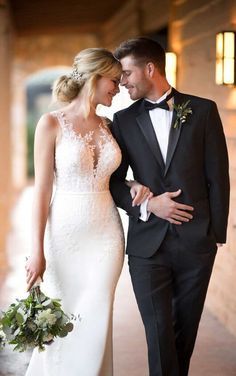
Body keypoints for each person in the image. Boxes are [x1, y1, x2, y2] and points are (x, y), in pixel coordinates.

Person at [25, 47, 151, 376]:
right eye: (114, 79)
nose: (119, 86)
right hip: (63, 234)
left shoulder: (111, 126)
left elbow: (116, 177)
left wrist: (134, 184)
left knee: (96, 320)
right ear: (96, 78)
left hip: (106, 235)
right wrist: (36, 251)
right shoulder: (50, 123)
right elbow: (41, 190)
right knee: (62, 322)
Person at [110, 37, 230, 376]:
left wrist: (214, 235)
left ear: (150, 69)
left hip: (196, 243)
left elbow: (218, 176)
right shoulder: (123, 120)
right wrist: (149, 205)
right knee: (159, 333)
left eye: (127, 73)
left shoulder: (203, 110)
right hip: (147, 246)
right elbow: (115, 182)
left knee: (183, 335)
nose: (123, 82)